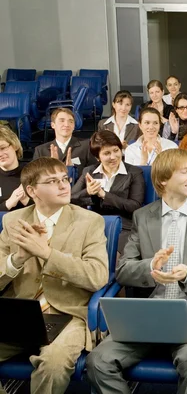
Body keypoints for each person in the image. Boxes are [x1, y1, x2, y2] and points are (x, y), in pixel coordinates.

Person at [86, 149, 187, 394]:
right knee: (98, 361)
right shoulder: (143, 217)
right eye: (184, 172)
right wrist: (149, 267)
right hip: (149, 313)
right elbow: (123, 270)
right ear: (163, 180)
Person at [0, 157, 108, 394]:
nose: (63, 186)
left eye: (64, 179)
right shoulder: (13, 221)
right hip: (20, 314)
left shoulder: (90, 221)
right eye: (52, 181)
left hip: (69, 313)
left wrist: (48, 254)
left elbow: (97, 276)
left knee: (53, 364)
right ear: (32, 190)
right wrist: (16, 260)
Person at [71, 130, 145, 253]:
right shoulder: (89, 172)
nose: (113, 157)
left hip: (124, 227)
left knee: (114, 256)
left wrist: (104, 195)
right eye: (106, 153)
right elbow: (70, 199)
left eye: (116, 151)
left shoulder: (134, 172)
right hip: (93, 225)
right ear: (97, 157)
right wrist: (87, 192)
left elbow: (135, 206)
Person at [33, 107, 95, 176]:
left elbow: (93, 172)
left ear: (74, 126)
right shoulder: (41, 150)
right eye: (62, 121)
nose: (66, 125)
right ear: (53, 125)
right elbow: (36, 177)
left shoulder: (86, 146)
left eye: (71, 121)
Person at [0, 127, 29, 212]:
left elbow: (47, 207)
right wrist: (8, 203)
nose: (0, 154)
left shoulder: (32, 172)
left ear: (15, 146)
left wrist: (26, 200)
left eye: (2, 148)